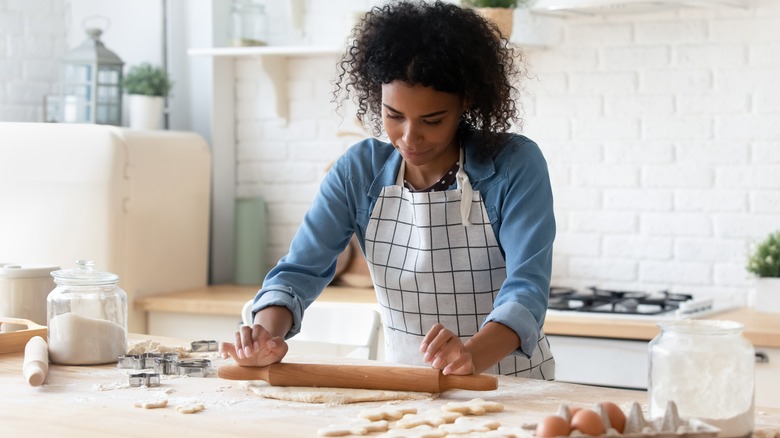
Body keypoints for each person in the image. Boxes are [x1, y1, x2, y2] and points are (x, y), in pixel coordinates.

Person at [220, 0, 556, 379]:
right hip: (408, 386)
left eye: (433, 119)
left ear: (467, 102)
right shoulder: (359, 171)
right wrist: (264, 334)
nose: (410, 138)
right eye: (394, 115)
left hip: (509, 387)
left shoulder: (513, 165)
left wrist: (472, 355)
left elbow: (527, 290)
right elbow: (297, 272)